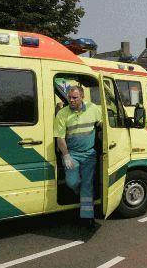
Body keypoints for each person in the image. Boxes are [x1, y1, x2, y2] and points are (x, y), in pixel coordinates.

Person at [54, 86, 102, 229]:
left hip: (89, 154)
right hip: (72, 154)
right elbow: (60, 138)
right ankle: (79, 192)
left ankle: (87, 218)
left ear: (82, 97)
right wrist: (66, 155)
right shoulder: (62, 114)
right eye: (69, 97)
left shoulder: (93, 109)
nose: (71, 100)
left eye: (75, 97)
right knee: (71, 182)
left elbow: (102, 124)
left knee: (87, 185)